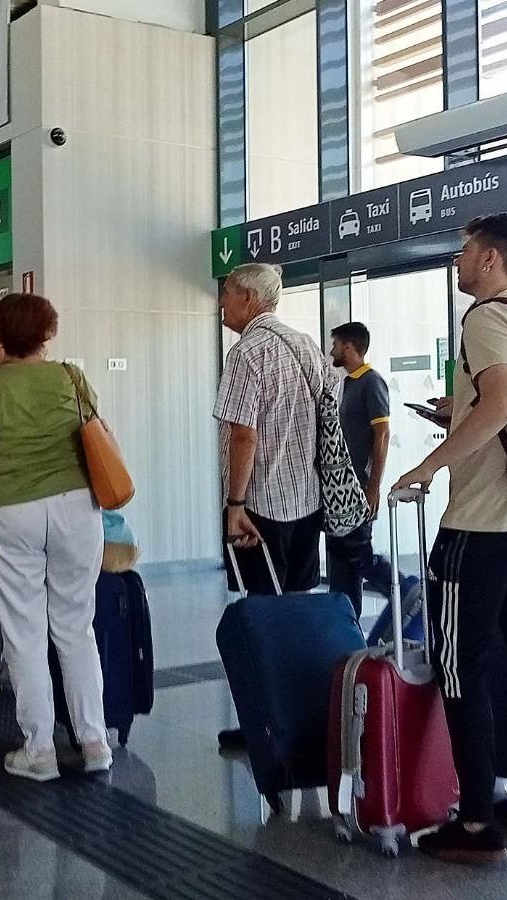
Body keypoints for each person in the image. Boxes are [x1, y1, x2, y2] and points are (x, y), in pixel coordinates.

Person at [390, 213, 507, 865]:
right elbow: (500, 404)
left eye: (464, 252)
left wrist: (427, 465)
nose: (458, 262)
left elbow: (500, 407)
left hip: (483, 527)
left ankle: (474, 825)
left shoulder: (489, 316)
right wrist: (456, 410)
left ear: (492, 258)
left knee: (462, 667)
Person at [0, 293, 112, 781]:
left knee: (24, 631)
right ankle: (94, 741)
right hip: (77, 509)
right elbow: (102, 437)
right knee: (76, 628)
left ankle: (39, 750)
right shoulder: (70, 378)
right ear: (48, 333)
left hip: (9, 511)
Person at [212, 262, 327, 751]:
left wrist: (235, 503)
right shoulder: (307, 344)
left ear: (248, 298)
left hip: (259, 507)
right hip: (305, 500)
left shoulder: (247, 353)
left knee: (262, 615)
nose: (221, 305)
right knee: (298, 609)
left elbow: (243, 432)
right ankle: (307, 716)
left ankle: (270, 723)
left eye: (226, 295)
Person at [326, 321, 391, 618]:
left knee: (357, 556)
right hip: (340, 489)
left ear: (349, 346)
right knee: (341, 561)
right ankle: (344, 627)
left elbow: (382, 434)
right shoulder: (346, 384)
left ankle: (402, 588)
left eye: (335, 345)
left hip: (359, 487)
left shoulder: (371, 382)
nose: (332, 351)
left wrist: (373, 485)